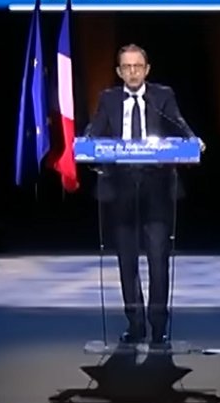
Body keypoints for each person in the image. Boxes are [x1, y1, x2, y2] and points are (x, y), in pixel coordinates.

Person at [84, 44, 201, 345]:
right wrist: (83, 143)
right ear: (119, 71)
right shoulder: (108, 98)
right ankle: (134, 324)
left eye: (138, 66)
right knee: (126, 261)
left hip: (157, 192)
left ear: (147, 70)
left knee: (158, 260)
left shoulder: (162, 96)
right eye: (127, 67)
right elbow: (95, 131)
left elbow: (178, 122)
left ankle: (158, 326)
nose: (133, 72)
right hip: (120, 189)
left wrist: (192, 140)